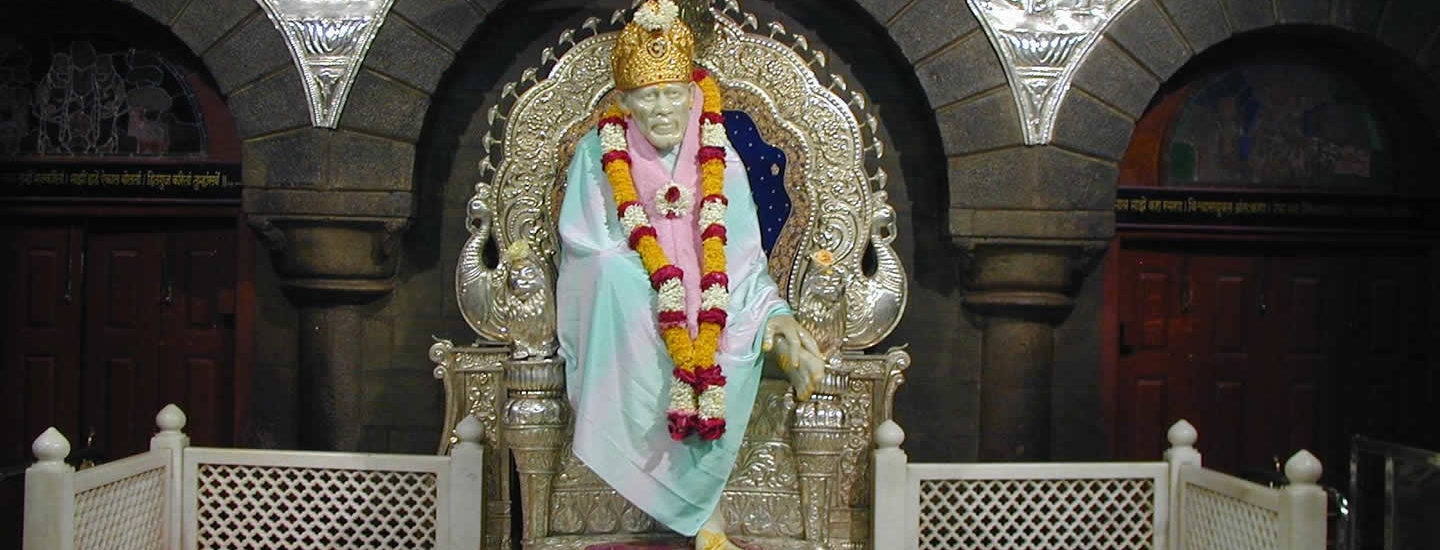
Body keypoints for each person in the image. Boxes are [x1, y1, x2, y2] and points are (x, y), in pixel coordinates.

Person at [554, 1, 826, 548]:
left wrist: (775, 313)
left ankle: (700, 508)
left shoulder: (717, 151)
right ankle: (699, 515)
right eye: (648, 96)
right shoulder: (597, 150)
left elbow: (743, 255)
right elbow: (588, 242)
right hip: (631, 297)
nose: (662, 109)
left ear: (691, 91)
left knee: (734, 326)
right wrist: (657, 283)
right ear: (625, 102)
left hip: (712, 295)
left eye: (672, 94)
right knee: (611, 273)